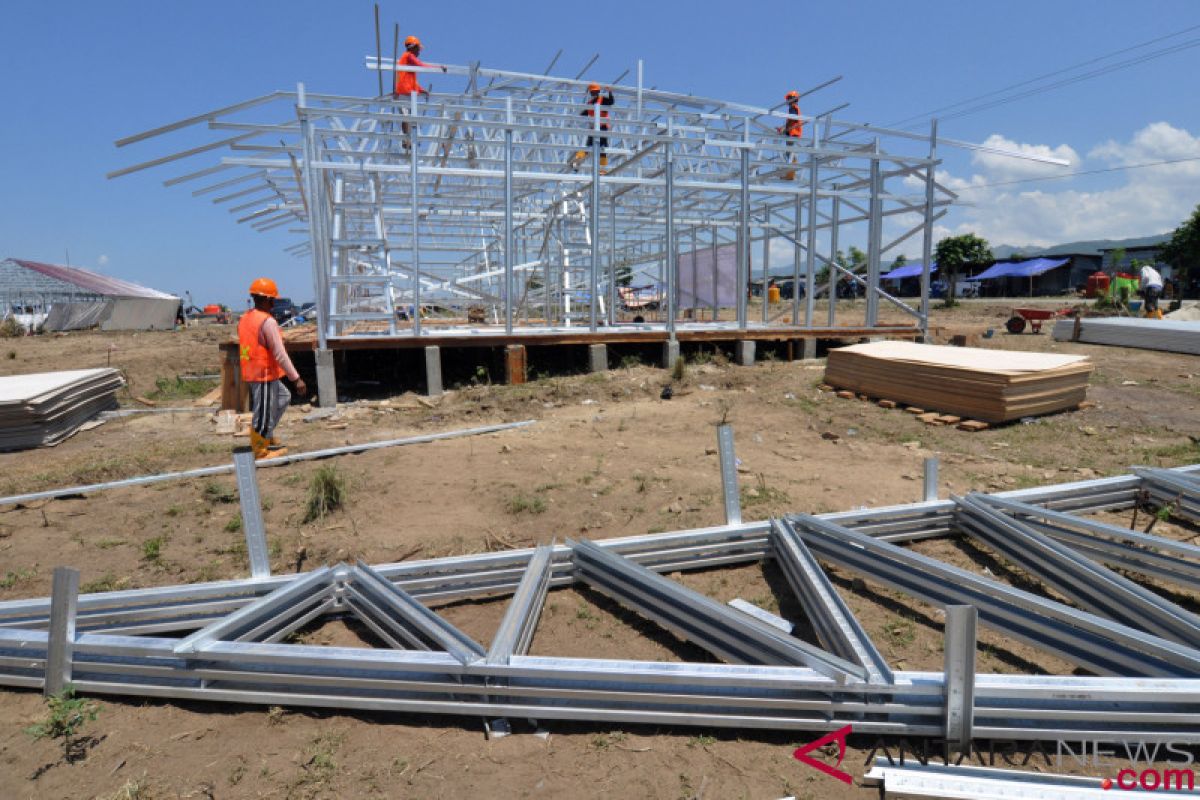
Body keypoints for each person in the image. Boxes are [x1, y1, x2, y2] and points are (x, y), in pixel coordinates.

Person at [238, 278, 307, 459]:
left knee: (283, 397)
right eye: (273, 299)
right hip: (263, 372)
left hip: (252, 369)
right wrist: (296, 378)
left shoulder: (245, 317)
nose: (274, 302)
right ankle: (260, 450)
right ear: (268, 300)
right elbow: (280, 354)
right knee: (263, 411)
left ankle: (265, 434)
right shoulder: (267, 322)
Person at [392, 36, 447, 141]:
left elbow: (410, 81)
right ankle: (407, 139)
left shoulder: (406, 61)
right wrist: (438, 68)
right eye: (418, 49)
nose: (419, 52)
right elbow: (421, 65)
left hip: (406, 93)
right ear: (413, 47)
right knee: (407, 117)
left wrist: (421, 90)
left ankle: (407, 139)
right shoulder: (408, 56)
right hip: (404, 94)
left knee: (408, 117)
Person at [573, 83, 615, 171]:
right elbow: (611, 101)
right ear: (598, 91)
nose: (594, 93)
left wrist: (580, 113)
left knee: (589, 146)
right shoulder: (601, 100)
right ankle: (602, 169)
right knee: (603, 147)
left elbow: (584, 113)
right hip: (602, 128)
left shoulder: (590, 103)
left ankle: (577, 159)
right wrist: (610, 92)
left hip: (595, 128)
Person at [778, 90, 804, 180]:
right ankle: (790, 174)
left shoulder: (793, 108)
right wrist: (783, 129)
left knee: (790, 153)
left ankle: (790, 175)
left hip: (793, 134)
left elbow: (792, 120)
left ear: (794, 99)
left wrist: (784, 129)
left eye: (789, 98)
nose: (788, 101)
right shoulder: (793, 109)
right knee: (789, 153)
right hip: (793, 133)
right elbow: (790, 123)